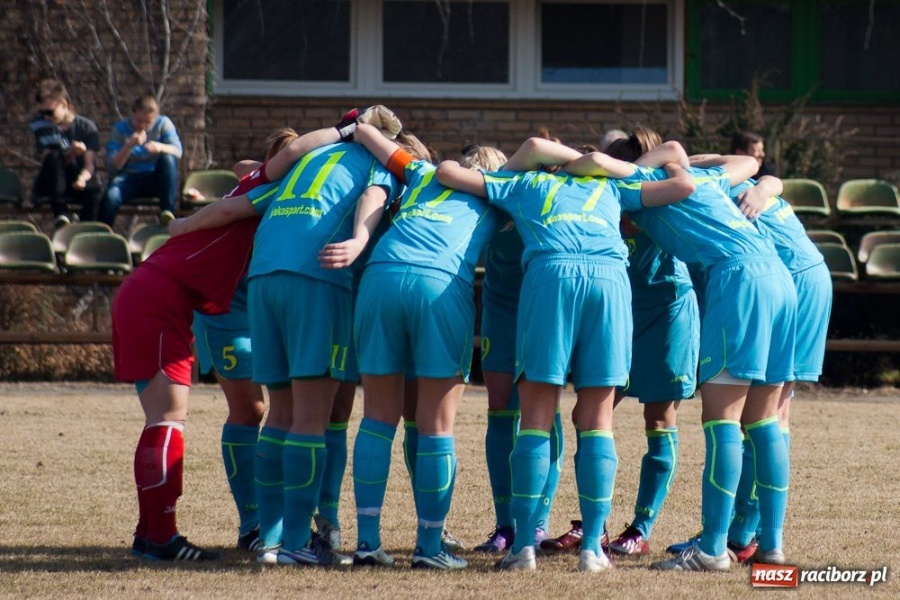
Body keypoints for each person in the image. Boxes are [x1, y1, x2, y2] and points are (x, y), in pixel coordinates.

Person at [435, 137, 694, 573]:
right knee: (597, 421)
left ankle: (523, 548)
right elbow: (683, 185)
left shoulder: (529, 185)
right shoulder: (609, 186)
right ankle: (593, 548)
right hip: (610, 283)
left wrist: (518, 167)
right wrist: (603, 164)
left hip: (551, 276)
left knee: (535, 416)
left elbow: (447, 172)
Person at [117, 119, 367, 562]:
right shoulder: (270, 185)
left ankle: (155, 533)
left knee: (180, 418)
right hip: (186, 300)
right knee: (178, 418)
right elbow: (250, 171)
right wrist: (349, 130)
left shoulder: (288, 189)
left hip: (172, 296)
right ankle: (228, 529)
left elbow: (245, 166)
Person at [170, 107, 404, 569]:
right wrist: (359, 240)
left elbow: (236, 204)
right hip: (317, 277)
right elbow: (373, 197)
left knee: (279, 414)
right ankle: (299, 542)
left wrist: (182, 226)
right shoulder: (378, 163)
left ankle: (270, 539)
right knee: (311, 419)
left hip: (262, 280)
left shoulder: (309, 160)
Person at [571, 136, 796, 572]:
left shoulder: (640, 185)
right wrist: (692, 161)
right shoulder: (702, 176)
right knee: (764, 422)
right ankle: (772, 546)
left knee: (722, 422)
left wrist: (576, 167)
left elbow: (629, 156)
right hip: (778, 278)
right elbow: (745, 163)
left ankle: (712, 549)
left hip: (738, 278)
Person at [342, 124, 505, 570]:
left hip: (381, 277)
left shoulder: (424, 173)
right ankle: (430, 548)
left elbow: (382, 146)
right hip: (440, 285)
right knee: (435, 425)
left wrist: (356, 126)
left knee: (376, 417)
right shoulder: (499, 191)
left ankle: (368, 543)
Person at [191, 127, 299, 554]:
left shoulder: (296, 196)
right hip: (228, 310)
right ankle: (251, 521)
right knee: (250, 408)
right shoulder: (252, 193)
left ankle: (285, 517)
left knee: (289, 411)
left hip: (272, 309)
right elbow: (244, 169)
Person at [100, 94, 183, 226]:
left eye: (148, 122)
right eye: (139, 121)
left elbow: (178, 151)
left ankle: (167, 212)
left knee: (168, 158)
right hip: (128, 178)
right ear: (133, 114)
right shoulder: (120, 129)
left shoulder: (163, 124)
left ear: (155, 119)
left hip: (154, 178)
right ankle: (103, 231)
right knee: (111, 196)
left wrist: (160, 147)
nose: (143, 126)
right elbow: (112, 167)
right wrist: (128, 146)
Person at [29, 79, 102, 227]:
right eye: (43, 112)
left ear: (64, 104)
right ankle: (60, 212)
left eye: (50, 112)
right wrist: (72, 153)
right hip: (52, 180)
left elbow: (89, 165)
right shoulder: (41, 124)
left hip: (75, 176)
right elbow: (49, 158)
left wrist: (82, 179)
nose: (46, 117)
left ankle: (86, 230)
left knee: (95, 194)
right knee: (55, 157)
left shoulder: (85, 127)